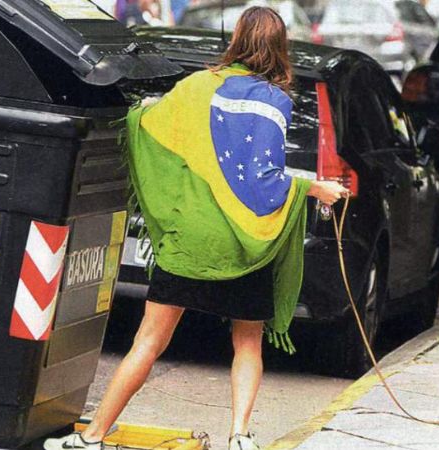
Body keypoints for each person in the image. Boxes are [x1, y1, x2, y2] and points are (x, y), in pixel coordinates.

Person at [44, 7, 348, 450]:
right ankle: (240, 436)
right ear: (279, 48)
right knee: (248, 344)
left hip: (191, 240)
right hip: (245, 241)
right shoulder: (275, 101)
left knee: (148, 342)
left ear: (237, 39)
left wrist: (145, 108)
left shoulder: (197, 87)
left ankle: (92, 437)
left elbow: (147, 128)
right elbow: (263, 180)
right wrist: (315, 187)